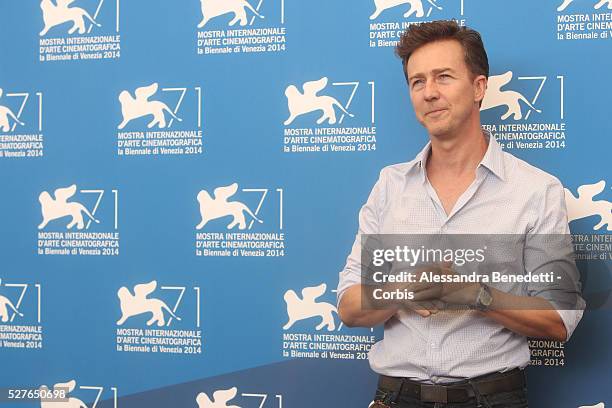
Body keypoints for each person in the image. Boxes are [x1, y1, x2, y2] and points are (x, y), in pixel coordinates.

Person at [336, 20, 584, 408]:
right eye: (417, 82)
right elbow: (349, 305)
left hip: (492, 398)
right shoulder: (390, 186)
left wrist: (475, 294)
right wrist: (402, 290)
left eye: (443, 77)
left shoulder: (537, 190)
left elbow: (559, 318)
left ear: (479, 87)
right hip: (395, 397)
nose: (429, 93)